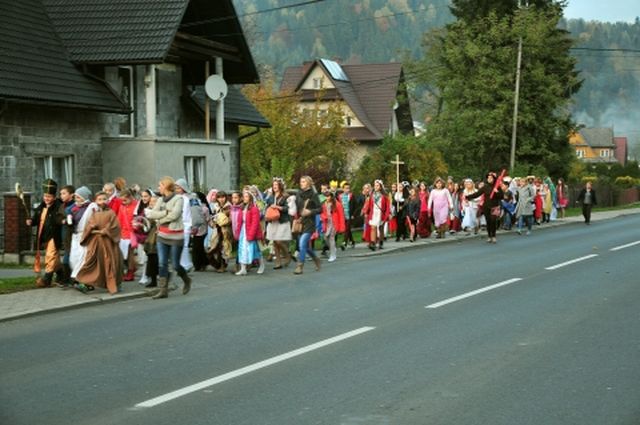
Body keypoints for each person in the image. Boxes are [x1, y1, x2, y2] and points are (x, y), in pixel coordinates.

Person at [145, 177, 191, 299]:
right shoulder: (160, 199)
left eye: (160, 185)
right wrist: (165, 213)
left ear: (166, 186)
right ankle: (163, 290)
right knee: (162, 263)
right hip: (162, 235)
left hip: (176, 235)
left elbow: (175, 215)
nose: (158, 187)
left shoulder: (178, 199)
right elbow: (152, 214)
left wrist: (160, 219)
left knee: (176, 265)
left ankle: (186, 279)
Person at [75, 192, 123, 294]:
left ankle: (113, 283)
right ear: (96, 201)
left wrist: (106, 231)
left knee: (110, 262)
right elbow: (88, 227)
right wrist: (92, 228)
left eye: (104, 199)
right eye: (99, 199)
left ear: (107, 200)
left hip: (108, 243)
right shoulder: (94, 214)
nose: (102, 201)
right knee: (92, 262)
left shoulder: (111, 213)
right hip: (96, 243)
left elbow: (115, 227)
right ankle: (85, 282)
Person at [26, 179, 65, 288]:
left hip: (54, 235)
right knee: (54, 258)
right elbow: (36, 219)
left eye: (49, 196)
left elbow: (59, 219)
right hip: (43, 235)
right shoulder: (41, 206)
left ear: (54, 196)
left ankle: (47, 278)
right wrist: (31, 221)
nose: (46, 198)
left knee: (50, 255)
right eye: (45, 196)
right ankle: (61, 274)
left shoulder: (58, 206)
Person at [293, 175, 322, 274]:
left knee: (302, 244)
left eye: (304, 182)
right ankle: (316, 259)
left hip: (310, 222)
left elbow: (320, 209)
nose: (302, 183)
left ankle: (299, 266)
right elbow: (296, 207)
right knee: (304, 245)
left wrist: (310, 211)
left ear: (309, 183)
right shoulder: (298, 194)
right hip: (301, 222)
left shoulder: (313, 195)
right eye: (301, 182)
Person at [465, 172, 504, 243]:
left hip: (494, 206)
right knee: (488, 221)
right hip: (486, 206)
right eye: (488, 178)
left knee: (493, 221)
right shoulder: (485, 187)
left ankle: (494, 236)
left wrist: (497, 192)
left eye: (491, 178)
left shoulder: (497, 186)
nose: (489, 179)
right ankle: (489, 236)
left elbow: (502, 196)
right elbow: (477, 194)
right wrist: (468, 197)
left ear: (493, 179)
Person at [69, 186, 97, 282]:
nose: (76, 199)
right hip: (75, 235)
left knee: (82, 256)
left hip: (85, 234)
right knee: (74, 257)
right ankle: (76, 275)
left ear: (84, 197)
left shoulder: (91, 207)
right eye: (75, 197)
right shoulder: (74, 207)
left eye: (78, 197)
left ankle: (81, 277)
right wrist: (69, 218)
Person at [235, 190, 265, 276]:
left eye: (246, 196)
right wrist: (238, 232)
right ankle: (243, 268)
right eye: (243, 196)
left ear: (251, 198)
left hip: (251, 232)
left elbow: (255, 223)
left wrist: (251, 235)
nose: (244, 198)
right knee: (242, 249)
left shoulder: (254, 209)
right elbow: (239, 221)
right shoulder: (242, 208)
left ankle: (261, 265)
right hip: (243, 231)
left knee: (256, 250)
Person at [265, 178, 292, 269]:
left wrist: (278, 207)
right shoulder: (271, 197)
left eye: (276, 185)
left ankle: (287, 254)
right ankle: (278, 262)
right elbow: (267, 206)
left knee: (279, 241)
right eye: (273, 185)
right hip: (273, 221)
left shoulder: (285, 196)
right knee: (275, 242)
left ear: (280, 186)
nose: (274, 187)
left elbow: (288, 209)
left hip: (282, 220)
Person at [117, 189, 137, 281]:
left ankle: (131, 271)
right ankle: (129, 269)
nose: (123, 202)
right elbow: (119, 220)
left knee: (130, 254)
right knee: (123, 254)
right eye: (122, 200)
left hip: (133, 233)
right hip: (123, 234)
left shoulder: (136, 205)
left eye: (125, 200)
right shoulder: (122, 207)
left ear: (130, 197)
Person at [174, 178, 194, 272]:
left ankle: (185, 264)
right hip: (179, 225)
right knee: (179, 245)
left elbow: (188, 213)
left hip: (186, 225)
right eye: (176, 188)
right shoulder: (176, 199)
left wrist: (190, 225)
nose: (177, 190)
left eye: (178, 188)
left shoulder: (187, 199)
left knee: (185, 245)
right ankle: (184, 263)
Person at [320, 190, 345, 262]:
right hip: (327, 223)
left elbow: (341, 216)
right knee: (325, 237)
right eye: (326, 196)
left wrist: (341, 226)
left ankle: (332, 255)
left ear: (332, 196)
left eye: (328, 196)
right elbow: (322, 213)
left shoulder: (337, 204)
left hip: (334, 223)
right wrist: (323, 217)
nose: (327, 198)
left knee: (331, 238)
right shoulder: (324, 204)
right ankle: (333, 249)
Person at [58, 185, 75, 286]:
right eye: (61, 194)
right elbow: (58, 217)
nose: (61, 195)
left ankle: (66, 279)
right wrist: (61, 220)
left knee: (68, 255)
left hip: (71, 233)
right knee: (67, 253)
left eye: (64, 193)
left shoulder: (74, 206)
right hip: (64, 232)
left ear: (71, 195)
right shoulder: (62, 205)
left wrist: (70, 220)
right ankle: (67, 279)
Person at [192, 192, 211, 271]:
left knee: (197, 248)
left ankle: (201, 263)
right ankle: (201, 263)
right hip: (194, 229)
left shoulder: (204, 208)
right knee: (197, 248)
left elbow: (207, 219)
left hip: (202, 230)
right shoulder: (193, 206)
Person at [339, 182, 356, 249]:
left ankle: (344, 243)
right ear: (343, 189)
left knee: (347, 228)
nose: (348, 190)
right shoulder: (340, 196)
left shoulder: (351, 196)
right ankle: (352, 241)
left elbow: (356, 206)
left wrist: (353, 214)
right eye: (346, 188)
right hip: (342, 216)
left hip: (349, 215)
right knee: (347, 229)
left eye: (348, 188)